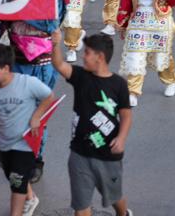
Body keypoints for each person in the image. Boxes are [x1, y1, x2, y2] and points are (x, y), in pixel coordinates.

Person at [50, 29, 133, 216]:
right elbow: (58, 64)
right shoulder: (80, 76)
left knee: (114, 196)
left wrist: (121, 138)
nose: (83, 56)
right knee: (81, 206)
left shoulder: (119, 84)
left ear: (100, 57)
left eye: (87, 52)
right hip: (79, 153)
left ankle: (124, 213)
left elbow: (126, 115)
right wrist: (56, 44)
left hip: (108, 155)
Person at [0, 45, 54, 216]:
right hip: (4, 144)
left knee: (16, 184)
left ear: (6, 68)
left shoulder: (27, 83)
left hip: (24, 144)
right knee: (13, 177)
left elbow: (49, 97)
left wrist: (36, 117)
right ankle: (31, 197)